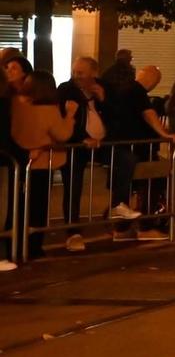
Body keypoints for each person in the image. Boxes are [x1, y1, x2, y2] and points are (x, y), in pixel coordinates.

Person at [104, 64, 175, 237]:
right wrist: (165, 135)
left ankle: (122, 228)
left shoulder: (124, 91)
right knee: (152, 183)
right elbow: (148, 114)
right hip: (136, 150)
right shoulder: (137, 91)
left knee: (129, 187)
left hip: (126, 149)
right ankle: (145, 227)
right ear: (152, 79)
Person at [11, 70, 72, 259]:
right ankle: (34, 247)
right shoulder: (49, 110)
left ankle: (16, 245)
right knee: (38, 208)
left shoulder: (17, 104)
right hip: (42, 163)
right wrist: (70, 115)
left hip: (19, 160)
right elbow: (62, 134)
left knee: (19, 207)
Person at [56, 57, 106, 231]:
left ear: (93, 73)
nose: (76, 76)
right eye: (74, 72)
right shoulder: (66, 90)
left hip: (103, 144)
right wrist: (82, 138)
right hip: (75, 145)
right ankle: (73, 229)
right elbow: (64, 118)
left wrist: (103, 99)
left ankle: (119, 211)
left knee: (125, 161)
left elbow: (114, 116)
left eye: (81, 73)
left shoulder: (102, 88)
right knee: (73, 185)